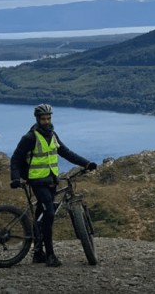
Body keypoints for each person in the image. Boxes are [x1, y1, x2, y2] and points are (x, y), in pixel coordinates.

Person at [10, 103, 97, 267]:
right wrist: (15, 179)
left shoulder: (53, 135)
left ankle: (37, 253)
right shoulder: (30, 138)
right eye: (43, 119)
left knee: (41, 215)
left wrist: (86, 164)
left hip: (51, 181)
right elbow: (15, 159)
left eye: (48, 118)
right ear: (37, 119)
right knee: (49, 213)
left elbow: (66, 152)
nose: (46, 121)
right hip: (37, 182)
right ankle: (50, 255)